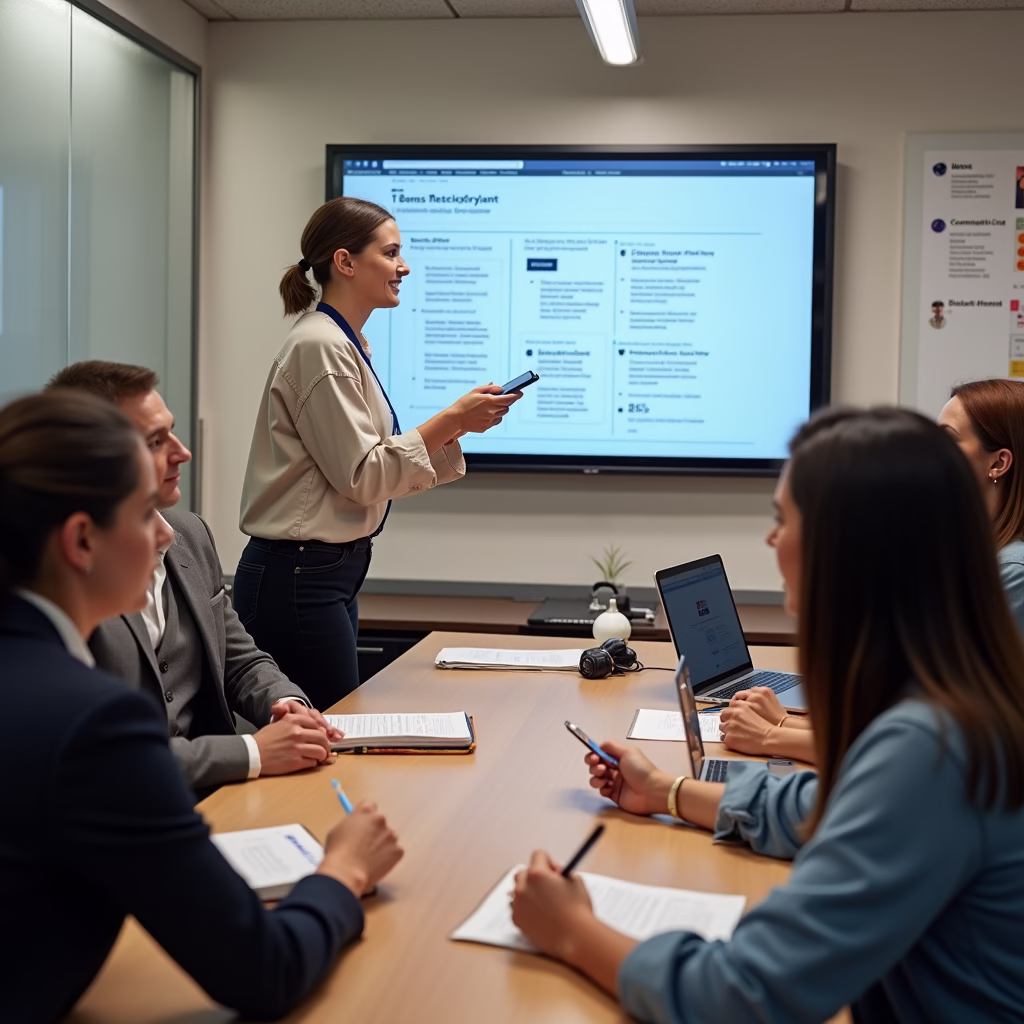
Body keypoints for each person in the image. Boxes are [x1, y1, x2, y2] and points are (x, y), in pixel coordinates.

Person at [511, 407, 1024, 1023]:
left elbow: (737, 999)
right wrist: (670, 792)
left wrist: (571, 930)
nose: (771, 540)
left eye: (784, 519)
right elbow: (824, 811)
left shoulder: (931, 746)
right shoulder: (950, 693)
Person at [0, 390, 403, 1023]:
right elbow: (265, 969)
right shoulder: (92, 724)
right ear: (81, 541)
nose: (165, 533)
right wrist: (345, 870)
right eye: (141, 514)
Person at [236, 197, 520, 709]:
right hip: (300, 575)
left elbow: (372, 464)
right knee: (330, 737)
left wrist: (455, 428)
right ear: (345, 262)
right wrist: (451, 420)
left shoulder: (343, 342)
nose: (403, 266)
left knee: (336, 730)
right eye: (391, 253)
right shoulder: (320, 345)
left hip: (325, 571)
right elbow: (364, 475)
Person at [49, 361, 339, 795]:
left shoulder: (188, 535)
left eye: (173, 431)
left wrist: (287, 705)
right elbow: (100, 758)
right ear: (94, 455)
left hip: (217, 791)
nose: (182, 452)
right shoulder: (62, 577)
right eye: (154, 441)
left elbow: (239, 659)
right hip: (128, 805)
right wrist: (255, 753)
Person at [722, 378, 1024, 762]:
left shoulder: (1012, 574)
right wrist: (781, 726)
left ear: (998, 463)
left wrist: (772, 735)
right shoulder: (978, 561)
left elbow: (934, 751)